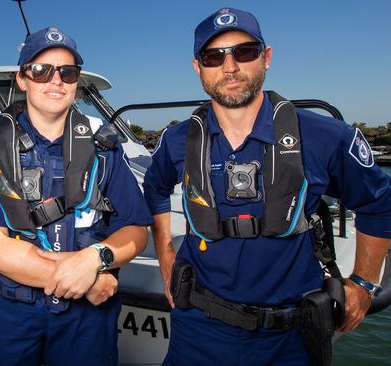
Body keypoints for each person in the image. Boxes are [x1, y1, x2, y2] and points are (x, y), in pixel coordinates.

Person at [143, 8, 391, 366]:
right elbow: (154, 189)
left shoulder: (325, 138)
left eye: (243, 52)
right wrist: (165, 251)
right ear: (198, 68)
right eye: (213, 57)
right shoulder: (177, 141)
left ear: (266, 57)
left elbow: (378, 203)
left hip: (290, 337)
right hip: (197, 330)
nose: (229, 67)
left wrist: (365, 284)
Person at [0, 26, 153, 366]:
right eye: (41, 70)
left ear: (76, 81)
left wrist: (95, 260)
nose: (55, 80)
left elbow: (136, 230)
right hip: (9, 314)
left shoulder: (105, 149)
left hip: (87, 322)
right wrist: (86, 280)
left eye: (67, 71)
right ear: (22, 79)